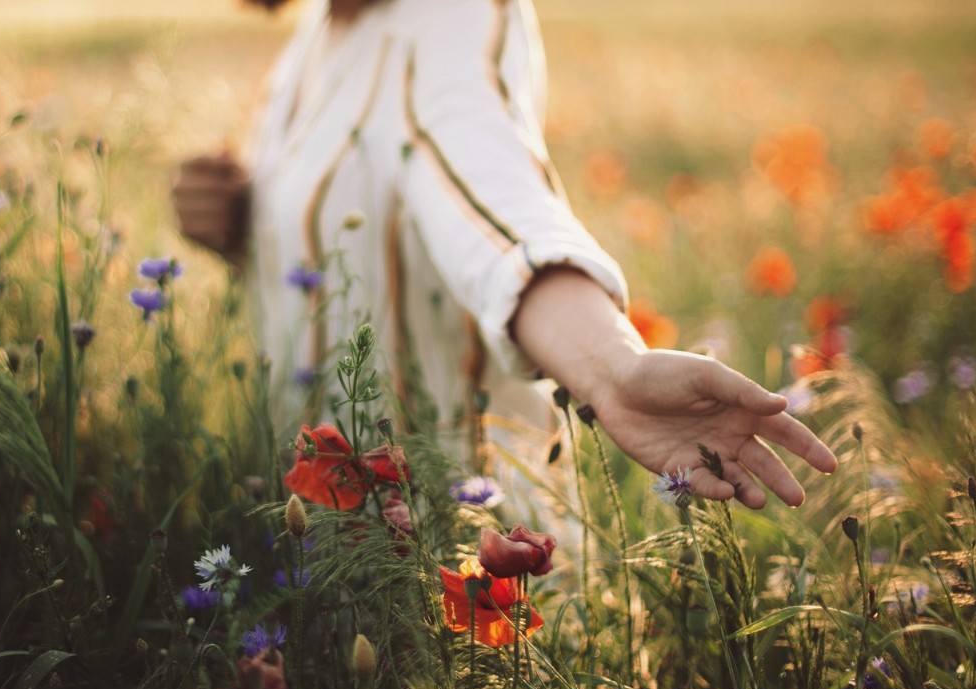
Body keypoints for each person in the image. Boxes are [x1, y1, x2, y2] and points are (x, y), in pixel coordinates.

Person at [173, 0, 837, 510]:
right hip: (323, 544)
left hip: (465, 568)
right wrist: (238, 222)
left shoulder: (450, 15)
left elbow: (495, 210)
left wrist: (611, 369)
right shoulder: (316, 33)